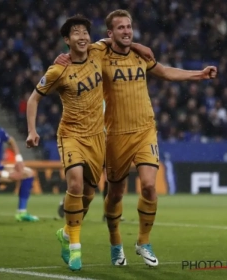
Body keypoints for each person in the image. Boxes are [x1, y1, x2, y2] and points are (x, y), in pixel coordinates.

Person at [55, 9, 217, 267]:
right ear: (110, 33)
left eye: (129, 27)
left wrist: (199, 74)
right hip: (116, 135)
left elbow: (165, 72)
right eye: (120, 28)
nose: (127, 31)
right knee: (116, 194)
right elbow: (80, 48)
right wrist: (63, 58)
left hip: (145, 130)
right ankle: (116, 244)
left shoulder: (141, 56)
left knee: (150, 186)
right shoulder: (100, 53)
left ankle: (143, 241)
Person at [26, 15, 153, 271]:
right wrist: (32, 130)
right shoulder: (58, 69)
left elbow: (116, 40)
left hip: (97, 136)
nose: (82, 36)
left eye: (85, 32)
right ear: (66, 40)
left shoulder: (97, 52)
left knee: (88, 194)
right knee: (74, 183)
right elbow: (33, 99)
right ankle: (75, 247)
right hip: (71, 134)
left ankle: (65, 233)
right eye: (76, 33)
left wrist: (139, 47)